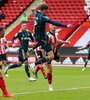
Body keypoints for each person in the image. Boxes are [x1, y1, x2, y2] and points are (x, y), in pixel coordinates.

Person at [28, 2, 72, 91]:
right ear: (44, 10)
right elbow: (52, 21)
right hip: (43, 40)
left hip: (40, 38)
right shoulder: (43, 18)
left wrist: (33, 10)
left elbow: (34, 11)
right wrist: (66, 25)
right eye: (46, 11)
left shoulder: (36, 13)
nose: (54, 26)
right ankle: (35, 65)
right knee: (50, 60)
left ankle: (34, 57)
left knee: (55, 59)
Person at [0, 26, 14, 97]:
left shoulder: (1, 39)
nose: (4, 32)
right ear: (0, 32)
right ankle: (5, 93)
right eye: (3, 31)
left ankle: (5, 93)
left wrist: (2, 60)